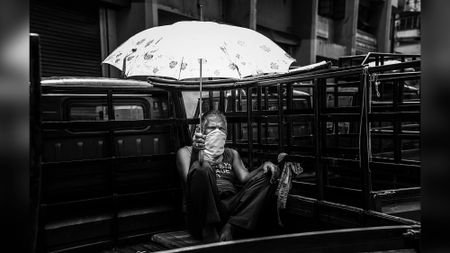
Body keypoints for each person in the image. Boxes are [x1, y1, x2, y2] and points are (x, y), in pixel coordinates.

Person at [176, 110, 279, 242]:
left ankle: (231, 226)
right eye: (212, 128)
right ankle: (210, 227)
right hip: (201, 212)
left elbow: (245, 178)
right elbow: (189, 181)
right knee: (202, 167)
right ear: (200, 130)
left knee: (269, 175)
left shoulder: (231, 153)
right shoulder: (185, 152)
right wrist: (197, 151)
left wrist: (263, 166)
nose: (217, 132)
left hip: (230, 206)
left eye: (221, 129)